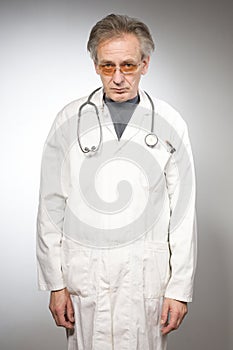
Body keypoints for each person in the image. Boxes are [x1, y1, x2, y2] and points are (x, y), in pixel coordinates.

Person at [37, 13, 197, 350]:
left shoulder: (170, 123)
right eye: (108, 66)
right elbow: (50, 206)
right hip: (85, 278)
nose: (119, 77)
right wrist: (55, 283)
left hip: (146, 279)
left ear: (145, 64)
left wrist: (179, 289)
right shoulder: (69, 120)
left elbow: (183, 213)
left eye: (128, 65)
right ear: (96, 65)